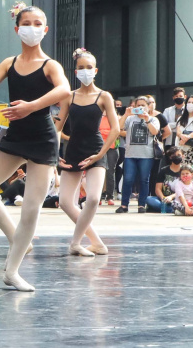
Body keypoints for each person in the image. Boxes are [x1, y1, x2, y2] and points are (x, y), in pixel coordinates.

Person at [0, 1, 70, 292]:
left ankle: (11, 271)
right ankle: (16, 239)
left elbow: (64, 89)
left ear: (46, 29)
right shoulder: (9, 63)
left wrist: (32, 107)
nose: (33, 29)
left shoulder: (50, 65)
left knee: (31, 209)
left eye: (38, 24)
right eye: (27, 24)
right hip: (15, 137)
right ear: (17, 29)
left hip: (43, 138)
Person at [53, 48, 118, 256]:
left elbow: (115, 129)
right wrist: (54, 153)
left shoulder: (104, 96)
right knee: (64, 202)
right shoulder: (68, 96)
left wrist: (100, 155)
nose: (85, 71)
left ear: (96, 70)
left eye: (89, 67)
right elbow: (57, 127)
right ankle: (96, 242)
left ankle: (75, 242)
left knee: (91, 199)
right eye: (81, 68)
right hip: (72, 150)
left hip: (95, 150)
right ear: (75, 72)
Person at [117, 97, 161, 214]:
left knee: (144, 180)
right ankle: (124, 205)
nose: (141, 107)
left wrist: (147, 120)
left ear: (148, 106)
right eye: (138, 105)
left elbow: (155, 132)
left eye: (143, 105)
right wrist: (125, 114)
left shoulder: (153, 119)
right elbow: (118, 127)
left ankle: (141, 205)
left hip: (146, 155)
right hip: (130, 155)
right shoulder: (130, 118)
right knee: (128, 179)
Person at [144, 146, 183, 213]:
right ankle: (174, 209)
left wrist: (171, 197)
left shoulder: (185, 171)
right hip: (164, 199)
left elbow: (186, 189)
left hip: (180, 199)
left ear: (183, 156)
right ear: (170, 157)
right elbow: (158, 189)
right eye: (174, 155)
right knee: (148, 199)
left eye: (179, 155)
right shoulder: (163, 171)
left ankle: (167, 209)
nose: (177, 156)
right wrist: (163, 198)